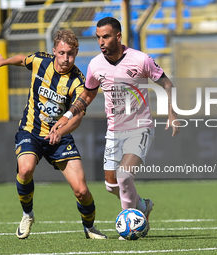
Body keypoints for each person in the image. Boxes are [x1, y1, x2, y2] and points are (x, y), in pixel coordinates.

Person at [51, 17, 180, 238]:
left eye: (106, 36)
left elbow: (167, 83)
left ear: (118, 36)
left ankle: (130, 226)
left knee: (123, 176)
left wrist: (172, 112)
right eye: (98, 37)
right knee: (112, 186)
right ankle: (142, 206)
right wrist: (69, 114)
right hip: (114, 131)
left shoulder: (141, 60)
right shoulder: (95, 65)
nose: (101, 41)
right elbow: (89, 94)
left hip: (140, 128)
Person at [0, 29, 107, 240]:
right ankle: (27, 214)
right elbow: (22, 60)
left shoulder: (79, 82)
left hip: (60, 137)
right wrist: (3, 62)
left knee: (81, 190)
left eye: (70, 53)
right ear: (54, 51)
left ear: (77, 52)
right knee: (25, 170)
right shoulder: (40, 61)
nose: (65, 58)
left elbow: (77, 117)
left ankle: (89, 228)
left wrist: (61, 131)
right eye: (61, 53)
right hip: (30, 130)